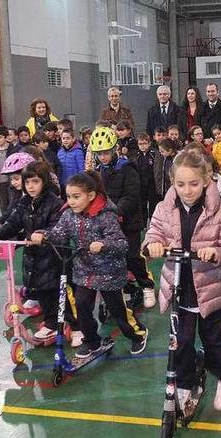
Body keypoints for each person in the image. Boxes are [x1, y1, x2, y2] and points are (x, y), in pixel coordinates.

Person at [143, 147, 221, 410]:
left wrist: (216, 253)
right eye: (180, 184)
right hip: (179, 288)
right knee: (181, 341)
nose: (187, 190)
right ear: (172, 182)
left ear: (207, 179)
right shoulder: (164, 209)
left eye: (194, 184)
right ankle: (186, 382)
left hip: (209, 290)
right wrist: (152, 245)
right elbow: (153, 234)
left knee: (213, 339)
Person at [31, 171, 149, 357]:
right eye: (69, 197)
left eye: (76, 197)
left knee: (117, 310)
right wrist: (43, 235)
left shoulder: (105, 215)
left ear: (91, 195)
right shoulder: (69, 215)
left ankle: (137, 334)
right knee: (82, 305)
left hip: (108, 272)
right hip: (84, 270)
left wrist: (103, 245)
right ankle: (92, 340)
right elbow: (59, 233)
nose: (71, 201)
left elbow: (121, 243)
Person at [0, 161, 69, 339]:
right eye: (28, 183)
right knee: (40, 289)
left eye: (35, 182)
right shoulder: (24, 202)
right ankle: (52, 321)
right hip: (33, 254)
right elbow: (13, 222)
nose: (31, 187)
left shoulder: (55, 203)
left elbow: (59, 228)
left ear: (44, 182)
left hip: (51, 254)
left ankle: (55, 323)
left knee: (51, 290)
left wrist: (43, 235)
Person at [89, 127, 156, 309]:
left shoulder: (127, 168)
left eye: (105, 153)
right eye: (99, 154)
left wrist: (116, 211)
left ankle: (146, 284)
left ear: (114, 149)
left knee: (132, 257)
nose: (102, 157)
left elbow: (132, 196)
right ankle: (126, 288)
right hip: (108, 224)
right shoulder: (98, 172)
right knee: (113, 259)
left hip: (129, 222)